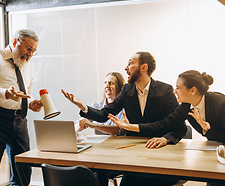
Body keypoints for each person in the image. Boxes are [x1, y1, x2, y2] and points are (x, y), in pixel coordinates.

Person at [62, 51, 187, 186]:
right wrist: (83, 107)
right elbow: (104, 115)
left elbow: (180, 126)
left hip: (160, 155)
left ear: (143, 67)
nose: (126, 68)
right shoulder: (127, 90)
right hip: (134, 155)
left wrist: (166, 139)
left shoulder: (165, 90)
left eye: (130, 63)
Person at [109, 70, 225, 148]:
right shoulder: (186, 107)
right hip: (221, 148)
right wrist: (130, 127)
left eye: (178, 87)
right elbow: (164, 124)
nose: (174, 91)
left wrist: (207, 129)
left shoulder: (223, 104)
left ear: (192, 90)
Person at [0, 29, 43, 186]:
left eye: (34, 51)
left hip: (19, 120)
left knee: (23, 169)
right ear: (15, 42)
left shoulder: (28, 66)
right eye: (28, 48)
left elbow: (27, 92)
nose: (30, 54)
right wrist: (5, 93)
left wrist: (32, 102)